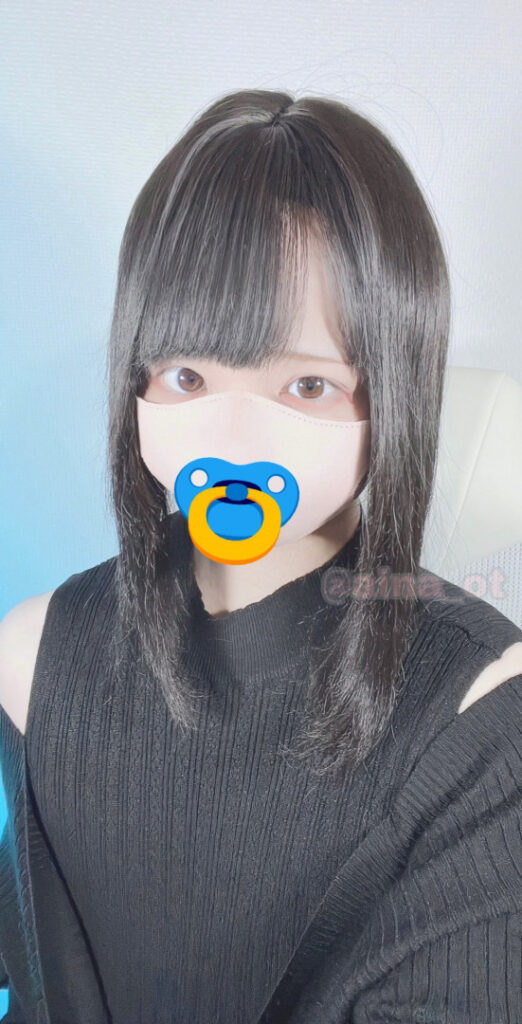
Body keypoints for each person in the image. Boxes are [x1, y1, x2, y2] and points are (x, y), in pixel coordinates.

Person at [1, 88, 521, 1024]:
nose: (233, 437)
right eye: (189, 374)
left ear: (394, 392)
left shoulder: (483, 698)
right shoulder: (32, 653)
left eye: (307, 385)